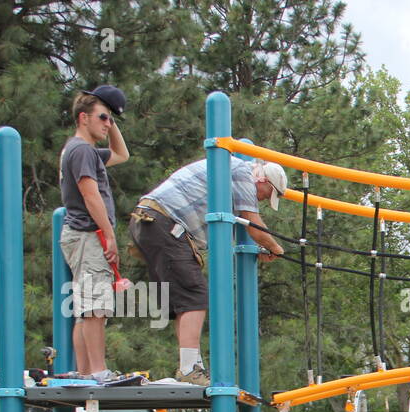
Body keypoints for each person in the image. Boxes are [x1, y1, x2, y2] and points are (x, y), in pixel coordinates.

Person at [129, 156, 287, 385]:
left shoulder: (225, 178)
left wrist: (260, 245)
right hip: (166, 223)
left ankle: (190, 366)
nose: (262, 199)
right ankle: (190, 369)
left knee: (183, 300)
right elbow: (253, 222)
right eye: (267, 193)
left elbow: (234, 231)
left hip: (149, 220)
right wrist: (275, 247)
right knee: (195, 295)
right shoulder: (244, 172)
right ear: (263, 179)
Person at [58, 84, 129, 381]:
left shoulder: (81, 150)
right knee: (95, 306)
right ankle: (99, 371)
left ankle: (85, 371)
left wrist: (111, 116)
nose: (107, 123)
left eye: (109, 119)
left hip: (81, 234)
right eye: (101, 117)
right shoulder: (83, 151)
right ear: (82, 118)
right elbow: (90, 195)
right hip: (88, 234)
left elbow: (121, 154)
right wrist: (108, 233)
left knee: (85, 307)